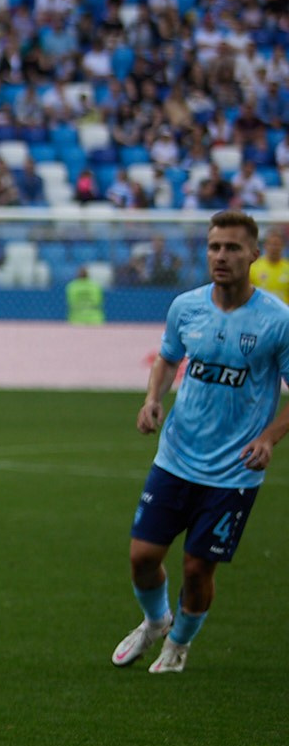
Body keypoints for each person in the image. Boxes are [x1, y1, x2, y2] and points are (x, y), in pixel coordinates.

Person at [113, 211, 289, 674]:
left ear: (253, 254)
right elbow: (168, 358)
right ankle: (155, 622)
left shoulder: (277, 321)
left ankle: (179, 644)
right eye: (214, 247)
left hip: (233, 472)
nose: (221, 256)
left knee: (196, 569)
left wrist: (270, 438)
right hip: (175, 458)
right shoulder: (186, 307)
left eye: (232, 248)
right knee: (142, 558)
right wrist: (153, 399)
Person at [251, 223, 289, 304]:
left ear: (283, 246)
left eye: (277, 244)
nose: (274, 248)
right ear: (265, 245)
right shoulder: (254, 268)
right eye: (271, 244)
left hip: (283, 315)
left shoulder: (287, 268)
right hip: (260, 314)